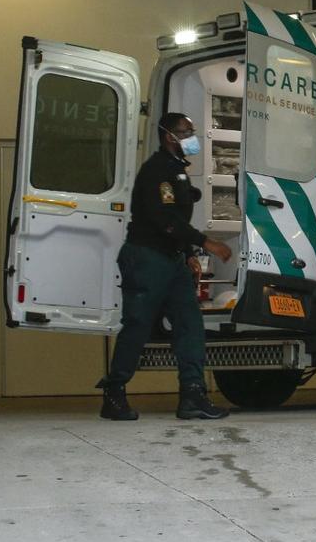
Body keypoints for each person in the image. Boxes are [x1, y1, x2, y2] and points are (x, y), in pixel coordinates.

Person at [96, 113, 233, 421]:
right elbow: (166, 220)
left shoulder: (177, 170)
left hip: (172, 260)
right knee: (138, 326)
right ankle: (114, 393)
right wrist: (206, 243)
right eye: (186, 132)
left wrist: (188, 253)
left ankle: (193, 395)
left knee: (190, 324)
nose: (192, 137)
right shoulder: (157, 171)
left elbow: (176, 221)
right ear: (170, 136)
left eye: (192, 131)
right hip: (147, 258)